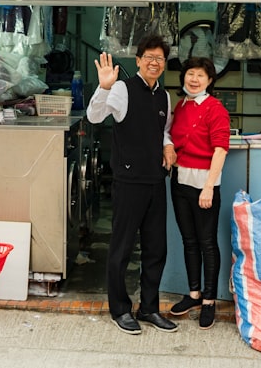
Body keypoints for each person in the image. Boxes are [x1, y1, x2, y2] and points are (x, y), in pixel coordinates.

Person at [86, 34, 178, 335]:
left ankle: (149, 308)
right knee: (122, 248)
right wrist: (104, 86)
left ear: (164, 65)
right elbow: (95, 116)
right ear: (138, 60)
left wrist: (167, 145)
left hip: (155, 180)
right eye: (148, 57)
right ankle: (120, 309)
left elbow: (162, 130)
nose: (154, 63)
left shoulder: (164, 96)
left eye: (160, 59)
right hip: (128, 181)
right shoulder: (123, 89)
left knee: (156, 249)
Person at [166, 56, 230, 330]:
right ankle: (193, 294)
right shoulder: (180, 106)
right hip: (180, 181)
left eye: (200, 75)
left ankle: (209, 300)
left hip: (205, 184)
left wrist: (208, 187)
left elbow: (220, 149)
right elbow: (168, 135)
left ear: (210, 80)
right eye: (190, 74)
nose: (193, 79)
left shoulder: (215, 109)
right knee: (189, 240)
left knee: (207, 242)